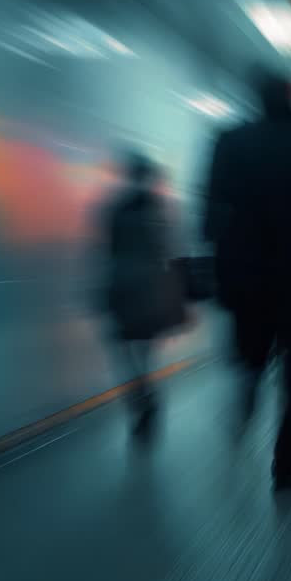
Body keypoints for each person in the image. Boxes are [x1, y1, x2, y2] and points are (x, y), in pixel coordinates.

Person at [204, 69, 291, 490]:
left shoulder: (229, 141)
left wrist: (221, 269)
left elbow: (209, 215)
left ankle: (246, 396)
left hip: (244, 277)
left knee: (252, 357)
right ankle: (285, 462)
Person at [99, 153, 187, 439]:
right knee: (144, 350)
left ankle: (142, 398)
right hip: (148, 291)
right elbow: (166, 251)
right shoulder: (157, 210)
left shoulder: (117, 210)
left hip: (124, 287)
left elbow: (109, 251)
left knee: (125, 351)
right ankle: (147, 395)